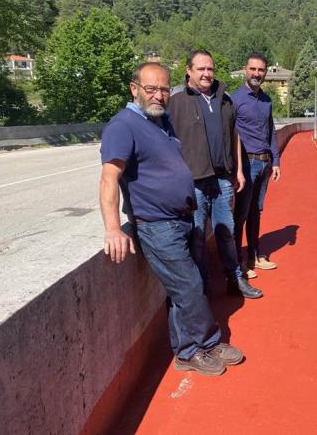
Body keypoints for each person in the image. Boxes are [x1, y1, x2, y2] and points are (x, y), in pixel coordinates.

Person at [99, 62, 242, 376]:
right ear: (134, 88)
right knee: (189, 284)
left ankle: (187, 351)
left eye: (164, 89)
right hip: (156, 224)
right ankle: (207, 343)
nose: (159, 96)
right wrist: (112, 229)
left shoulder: (160, 122)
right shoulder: (123, 125)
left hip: (181, 219)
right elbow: (109, 178)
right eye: (151, 89)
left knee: (182, 289)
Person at [167, 50, 263, 299]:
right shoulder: (176, 100)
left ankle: (235, 279)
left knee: (226, 232)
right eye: (201, 69)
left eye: (210, 69)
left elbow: (235, 136)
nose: (207, 73)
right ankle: (202, 287)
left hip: (222, 179)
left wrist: (239, 170)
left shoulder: (225, 98)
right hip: (193, 181)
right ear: (188, 70)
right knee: (197, 238)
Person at [231, 52, 281, 278]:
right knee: (240, 214)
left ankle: (255, 255)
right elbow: (230, 136)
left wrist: (276, 161)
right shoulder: (234, 100)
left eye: (261, 70)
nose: (257, 74)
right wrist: (237, 168)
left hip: (264, 164)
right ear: (245, 69)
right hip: (247, 163)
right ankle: (238, 263)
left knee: (256, 212)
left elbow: (271, 132)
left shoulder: (267, 100)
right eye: (253, 69)